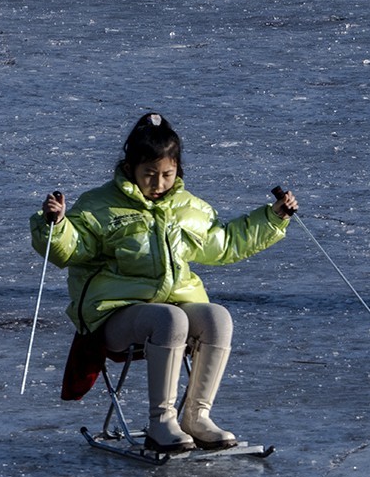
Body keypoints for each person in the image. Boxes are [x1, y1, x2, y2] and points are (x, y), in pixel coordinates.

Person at [30, 112, 298, 454]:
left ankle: (197, 417)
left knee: (217, 318)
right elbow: (71, 250)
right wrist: (55, 223)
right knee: (169, 319)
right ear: (130, 169)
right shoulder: (99, 206)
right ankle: (162, 422)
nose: (158, 184)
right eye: (149, 175)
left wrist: (273, 217)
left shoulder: (189, 208)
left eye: (167, 175)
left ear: (178, 171)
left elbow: (226, 243)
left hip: (174, 308)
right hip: (114, 315)